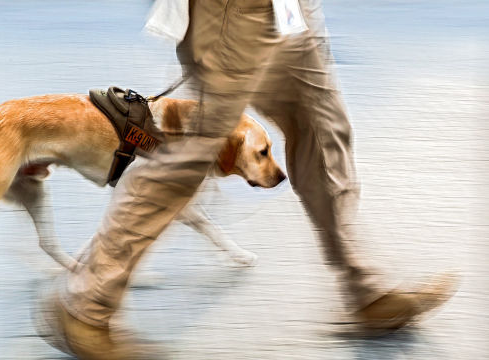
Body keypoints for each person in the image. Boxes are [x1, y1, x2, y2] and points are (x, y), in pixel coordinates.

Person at [34, 1, 457, 358]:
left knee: (323, 131)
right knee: (197, 155)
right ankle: (86, 306)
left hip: (289, 9)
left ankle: (366, 289)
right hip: (229, 14)